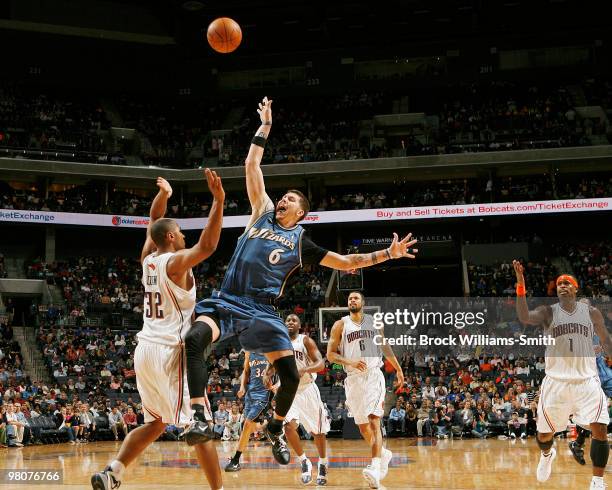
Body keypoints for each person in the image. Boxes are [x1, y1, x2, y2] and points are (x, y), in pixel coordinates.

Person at [184, 96, 419, 466]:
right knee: (194, 339)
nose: (283, 199)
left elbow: (347, 262)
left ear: (301, 211)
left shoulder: (302, 242)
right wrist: (265, 127)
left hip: (261, 311)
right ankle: (199, 414)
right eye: (283, 196)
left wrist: (388, 254)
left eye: (290, 198)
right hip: (227, 300)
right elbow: (251, 165)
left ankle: (277, 427)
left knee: (289, 375)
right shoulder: (261, 213)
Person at [91, 172, 225, 490]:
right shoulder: (175, 263)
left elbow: (154, 222)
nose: (182, 237)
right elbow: (208, 246)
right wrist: (218, 202)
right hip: (170, 350)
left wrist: (164, 196)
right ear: (170, 239)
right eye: (178, 233)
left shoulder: (148, 259)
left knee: (156, 423)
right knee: (199, 422)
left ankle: (114, 471)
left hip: (145, 350)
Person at [513, 262, 611, 490]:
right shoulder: (549, 312)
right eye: (559, 284)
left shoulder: (591, 313)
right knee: (544, 436)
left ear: (576, 289)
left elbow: (605, 340)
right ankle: (547, 455)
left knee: (600, 429)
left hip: (587, 381)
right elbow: (525, 316)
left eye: (567, 283)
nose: (562, 286)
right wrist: (521, 285)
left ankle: (597, 481)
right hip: (556, 382)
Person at [326, 291, 405, 489]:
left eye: (356, 298)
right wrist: (349, 361)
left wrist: (398, 369)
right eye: (350, 298)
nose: (352, 300)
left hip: (372, 375)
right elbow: (330, 355)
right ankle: (383, 454)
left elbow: (384, 346)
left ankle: (375, 467)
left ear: (363, 302)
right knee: (362, 426)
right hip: (352, 379)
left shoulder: (374, 322)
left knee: (373, 419)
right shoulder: (340, 325)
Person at [282, 314, 330, 485]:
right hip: (289, 391)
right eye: (288, 320)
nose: (290, 322)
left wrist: (305, 369)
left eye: (294, 320)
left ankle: (323, 462)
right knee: (288, 428)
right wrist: (268, 373)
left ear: (299, 325)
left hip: (307, 390)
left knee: (318, 432)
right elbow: (274, 363)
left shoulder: (306, 341)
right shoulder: (280, 343)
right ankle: (304, 461)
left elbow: (321, 364)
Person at [224, 351, 276, 471]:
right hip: (250, 393)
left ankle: (236, 460)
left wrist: (275, 386)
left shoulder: (271, 350)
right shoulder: (249, 352)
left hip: (263, 394)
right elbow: (246, 371)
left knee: (247, 424)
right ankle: (268, 426)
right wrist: (242, 387)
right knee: (248, 427)